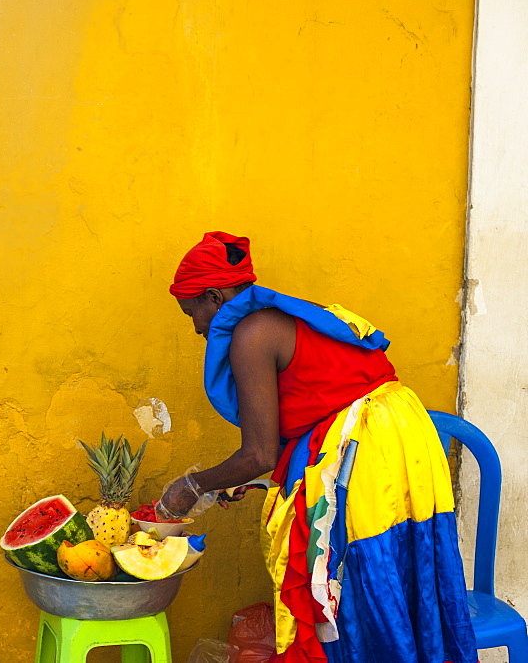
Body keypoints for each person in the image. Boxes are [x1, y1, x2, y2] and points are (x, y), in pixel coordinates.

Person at [155, 232, 476, 662]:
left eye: (190, 311)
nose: (194, 325)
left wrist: (190, 487)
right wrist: (242, 481)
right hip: (399, 435)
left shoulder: (249, 334)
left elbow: (259, 454)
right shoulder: (274, 319)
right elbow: (312, 407)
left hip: (370, 449)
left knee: (358, 590)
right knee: (394, 577)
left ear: (213, 297)